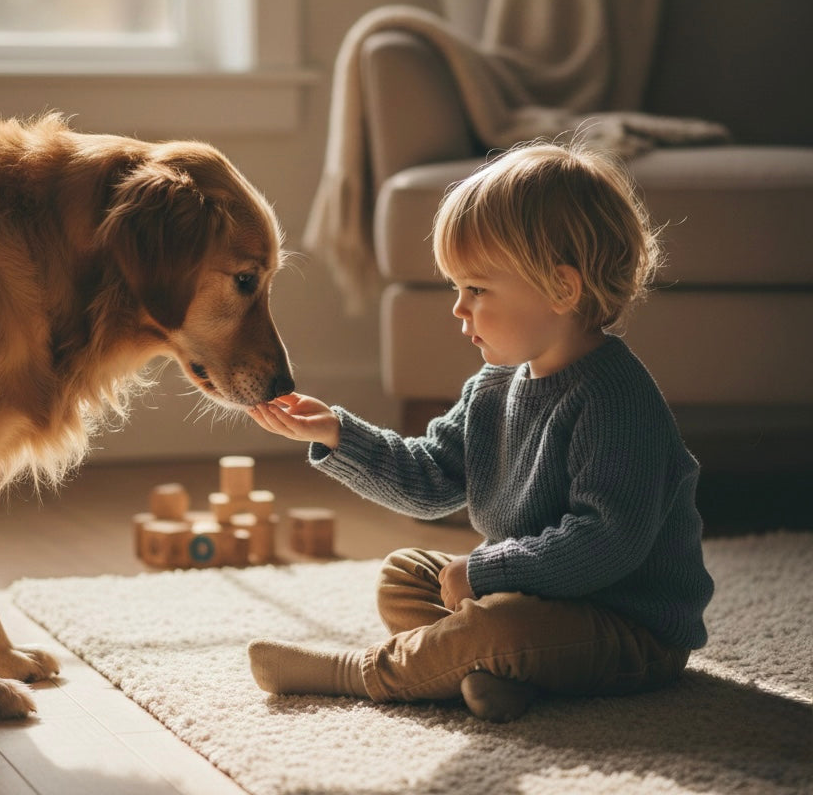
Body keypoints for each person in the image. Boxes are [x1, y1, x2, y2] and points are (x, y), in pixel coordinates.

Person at [246, 140, 714, 723]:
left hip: (623, 626)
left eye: (477, 289)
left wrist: (487, 571)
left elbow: (607, 541)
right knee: (405, 576)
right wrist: (341, 435)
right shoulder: (495, 383)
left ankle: (360, 673)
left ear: (561, 289)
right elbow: (431, 480)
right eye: (455, 289)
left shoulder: (616, 400)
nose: (458, 309)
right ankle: (496, 673)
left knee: (500, 622)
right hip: (533, 601)